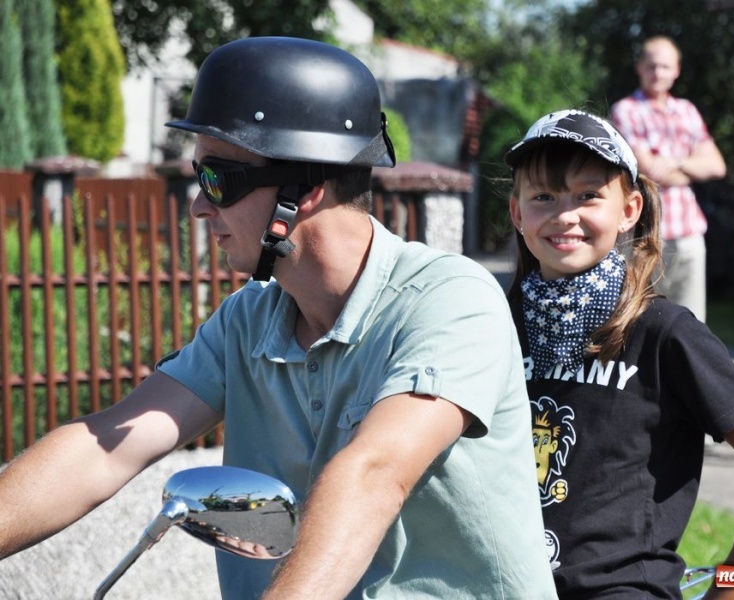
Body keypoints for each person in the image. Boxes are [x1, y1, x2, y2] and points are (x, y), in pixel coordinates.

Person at [0, 37, 557, 600]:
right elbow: (106, 445)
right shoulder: (247, 321)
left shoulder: (449, 301)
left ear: (305, 191)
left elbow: (374, 474)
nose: (199, 205)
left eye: (217, 179)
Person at [505, 109, 734, 598]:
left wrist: (725, 593)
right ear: (517, 212)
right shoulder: (494, 322)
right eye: (543, 196)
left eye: (588, 195)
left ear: (629, 210)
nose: (565, 215)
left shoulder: (667, 334)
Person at [610, 35, 727, 323]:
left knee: (691, 322)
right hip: (648, 232)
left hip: (689, 231)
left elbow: (717, 166)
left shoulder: (687, 110)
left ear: (677, 70)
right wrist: (691, 168)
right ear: (639, 67)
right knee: (643, 318)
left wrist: (675, 162)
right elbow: (648, 171)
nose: (658, 73)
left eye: (665, 66)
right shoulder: (626, 110)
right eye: (651, 66)